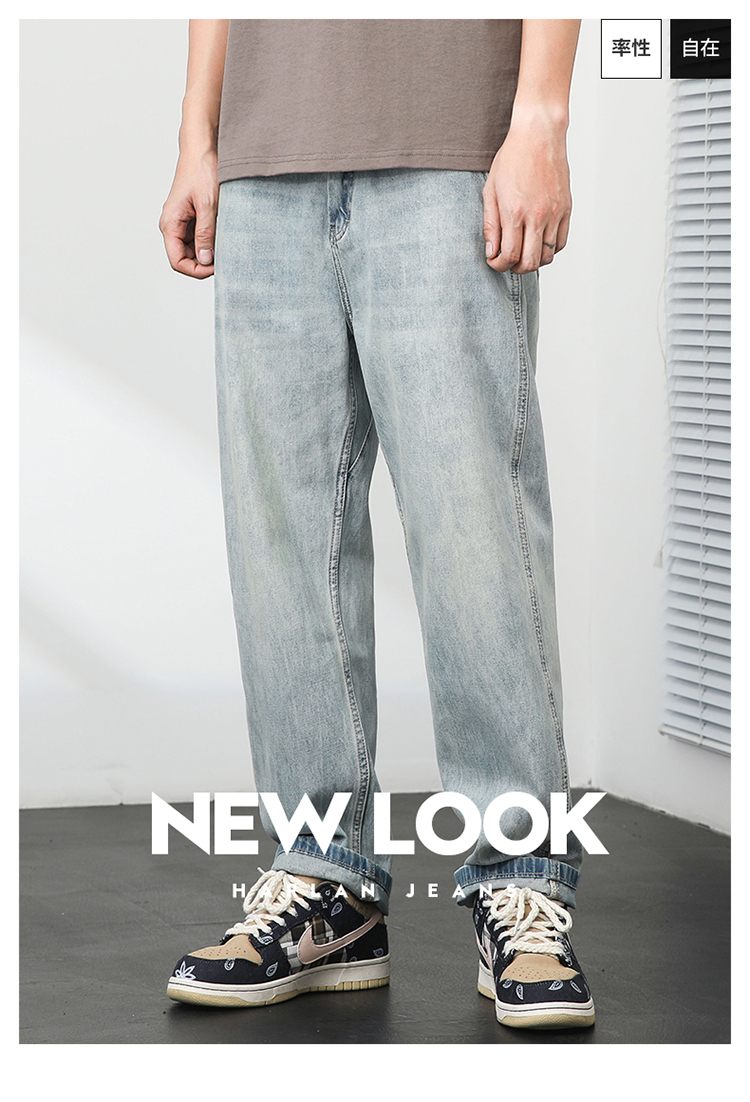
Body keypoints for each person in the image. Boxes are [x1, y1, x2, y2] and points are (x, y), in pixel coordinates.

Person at [159, 18, 594, 1030]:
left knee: (474, 528)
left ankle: (521, 878)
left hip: (451, 145)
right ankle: (327, 885)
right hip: (266, 158)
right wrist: (196, 133)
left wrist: (541, 119)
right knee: (282, 538)